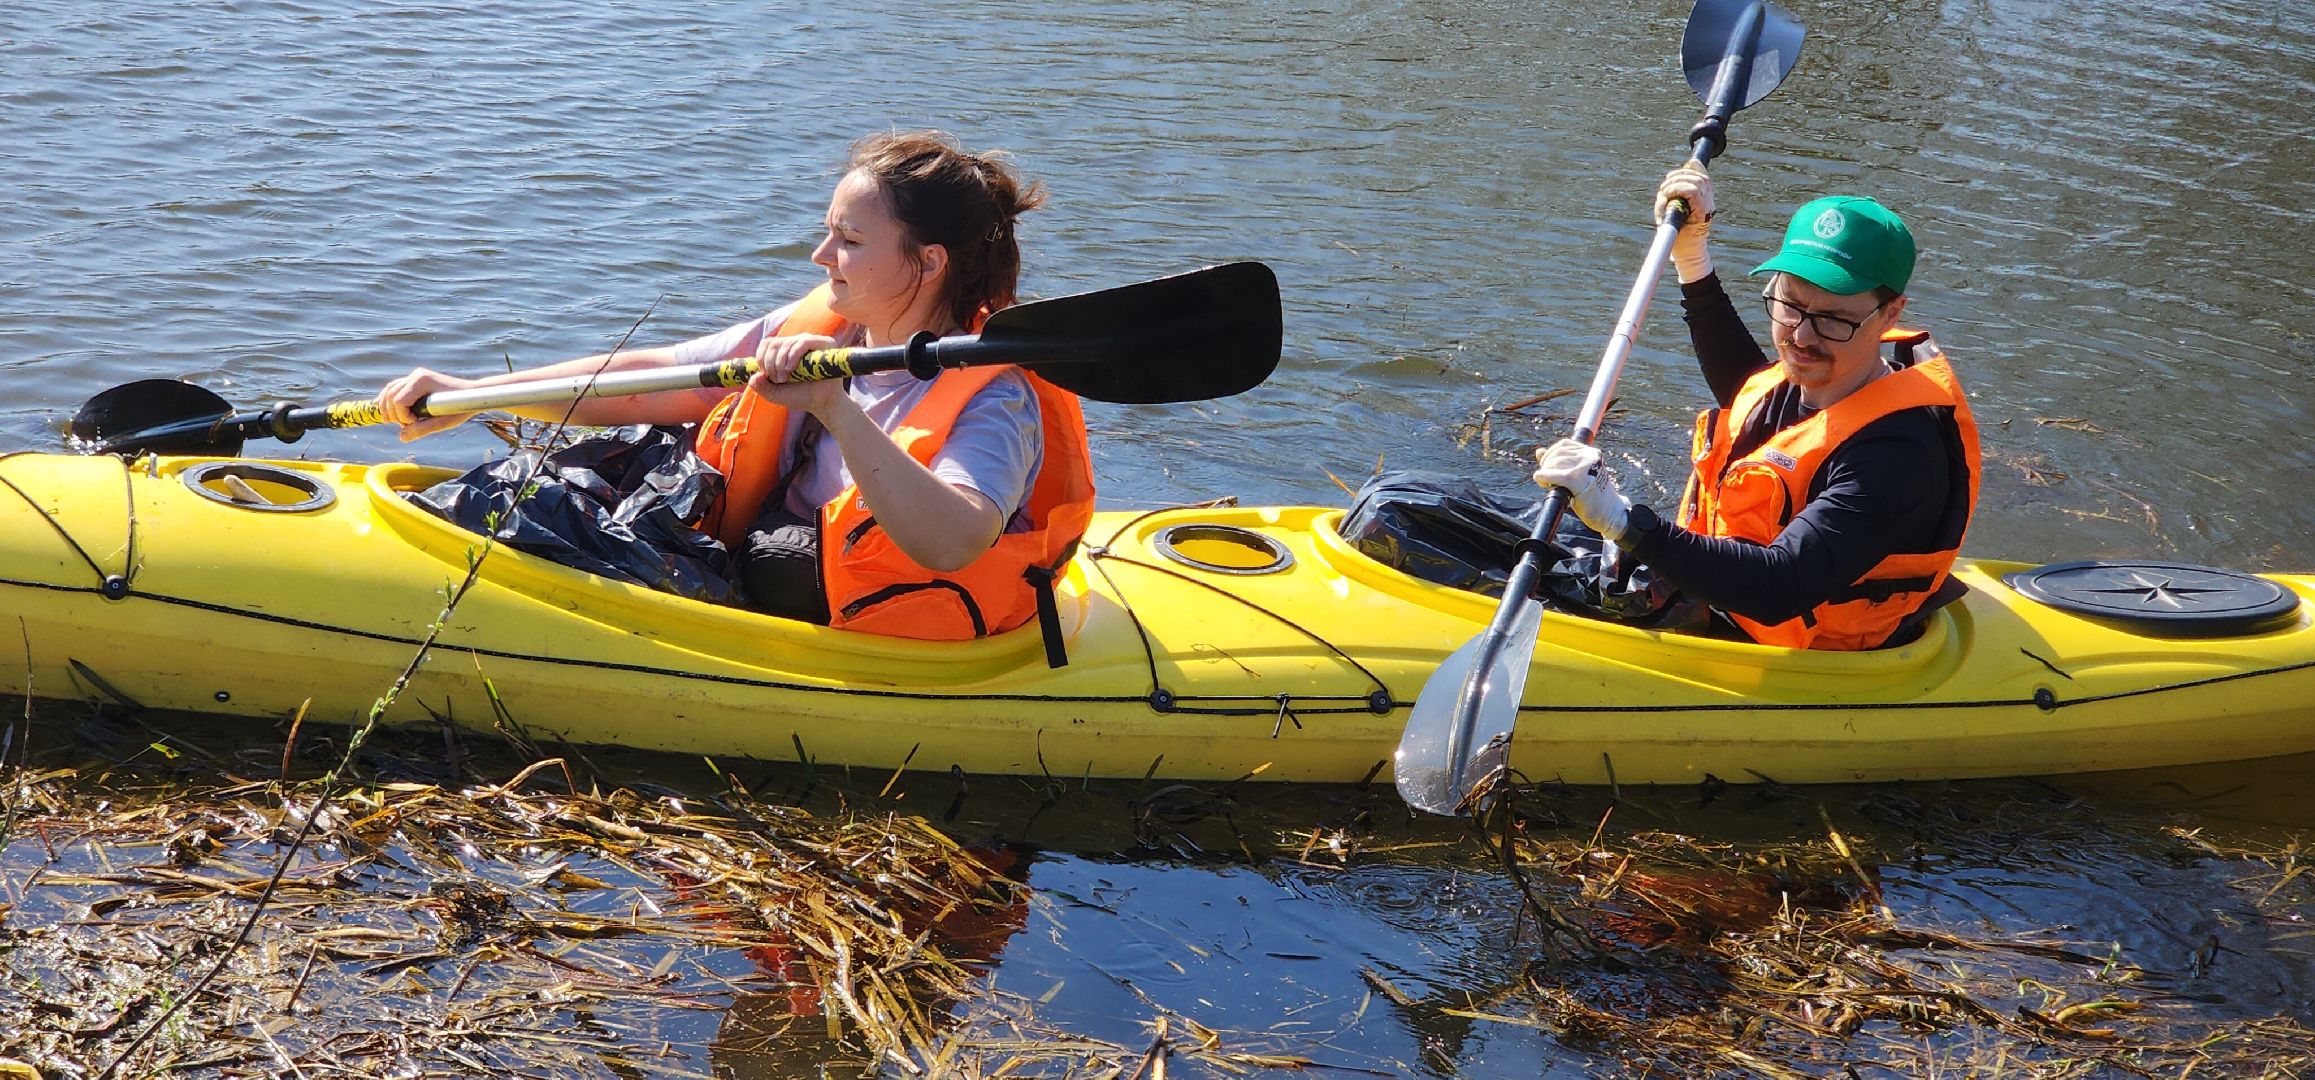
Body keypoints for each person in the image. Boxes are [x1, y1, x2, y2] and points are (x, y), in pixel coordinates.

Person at [378, 131, 1095, 640]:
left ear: (928, 260)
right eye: (827, 232)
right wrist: (473, 392)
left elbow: (955, 541)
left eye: (848, 240)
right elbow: (640, 385)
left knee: (765, 555)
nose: (821, 257)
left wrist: (835, 412)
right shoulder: (833, 325)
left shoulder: (995, 396)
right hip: (765, 571)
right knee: (606, 468)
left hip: (899, 628)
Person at [1532, 165, 1980, 650]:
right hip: (1720, 590)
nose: (1802, 338)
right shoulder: (1818, 373)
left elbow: (1777, 587)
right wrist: (1692, 255)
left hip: (1797, 647)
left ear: (1890, 314)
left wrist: (1622, 521)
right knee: (1478, 526)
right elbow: (1745, 387)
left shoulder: (1897, 458)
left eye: (1833, 319)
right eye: (1790, 306)